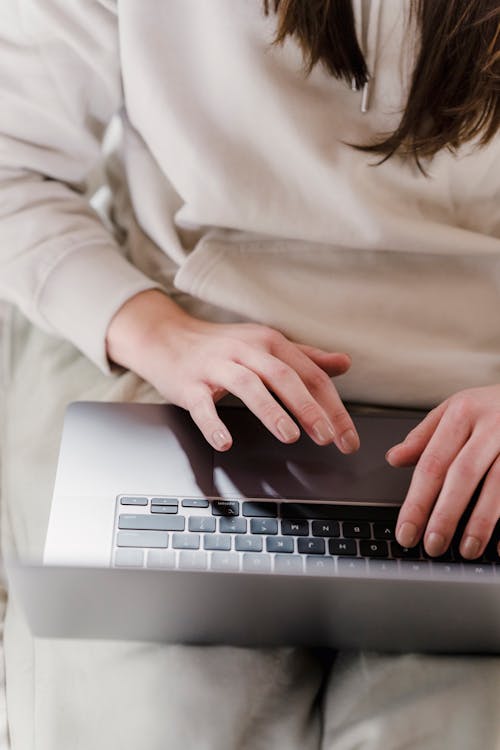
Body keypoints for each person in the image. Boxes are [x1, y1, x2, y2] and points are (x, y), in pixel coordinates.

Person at [0, 1, 499, 748]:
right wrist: (159, 333)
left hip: (479, 409)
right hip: (188, 356)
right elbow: (14, 159)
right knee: (148, 721)